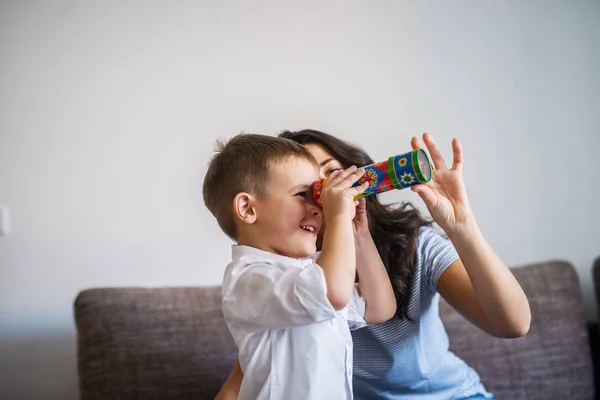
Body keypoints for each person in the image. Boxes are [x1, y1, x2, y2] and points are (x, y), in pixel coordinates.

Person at [215, 130, 531, 400]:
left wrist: (459, 223)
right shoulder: (277, 277)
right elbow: (250, 372)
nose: (323, 199)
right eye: (307, 191)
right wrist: (339, 219)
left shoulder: (413, 245)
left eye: (333, 176)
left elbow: (513, 324)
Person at [202, 133, 397, 400]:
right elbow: (333, 294)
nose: (318, 208)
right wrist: (339, 216)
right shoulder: (249, 279)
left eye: (317, 197)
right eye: (302, 194)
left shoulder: (310, 271)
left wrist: (358, 235)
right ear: (247, 208)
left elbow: (380, 308)